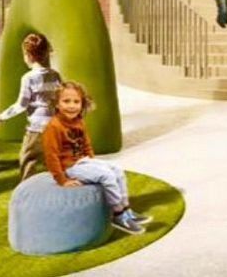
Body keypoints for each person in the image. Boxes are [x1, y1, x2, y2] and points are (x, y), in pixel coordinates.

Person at [43, 81, 151, 236]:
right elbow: (51, 155)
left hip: (83, 162)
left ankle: (127, 209)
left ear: (82, 104)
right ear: (57, 104)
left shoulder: (79, 122)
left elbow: (86, 145)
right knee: (106, 175)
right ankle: (118, 214)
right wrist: (62, 180)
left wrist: (93, 164)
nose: (72, 106)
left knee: (117, 170)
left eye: (76, 102)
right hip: (69, 167)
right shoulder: (54, 127)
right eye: (66, 101)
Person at [0, 32, 62, 181]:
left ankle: (27, 190)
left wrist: (2, 116)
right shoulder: (55, 75)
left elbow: (21, 105)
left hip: (37, 129)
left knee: (27, 159)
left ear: (28, 56)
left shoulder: (29, 78)